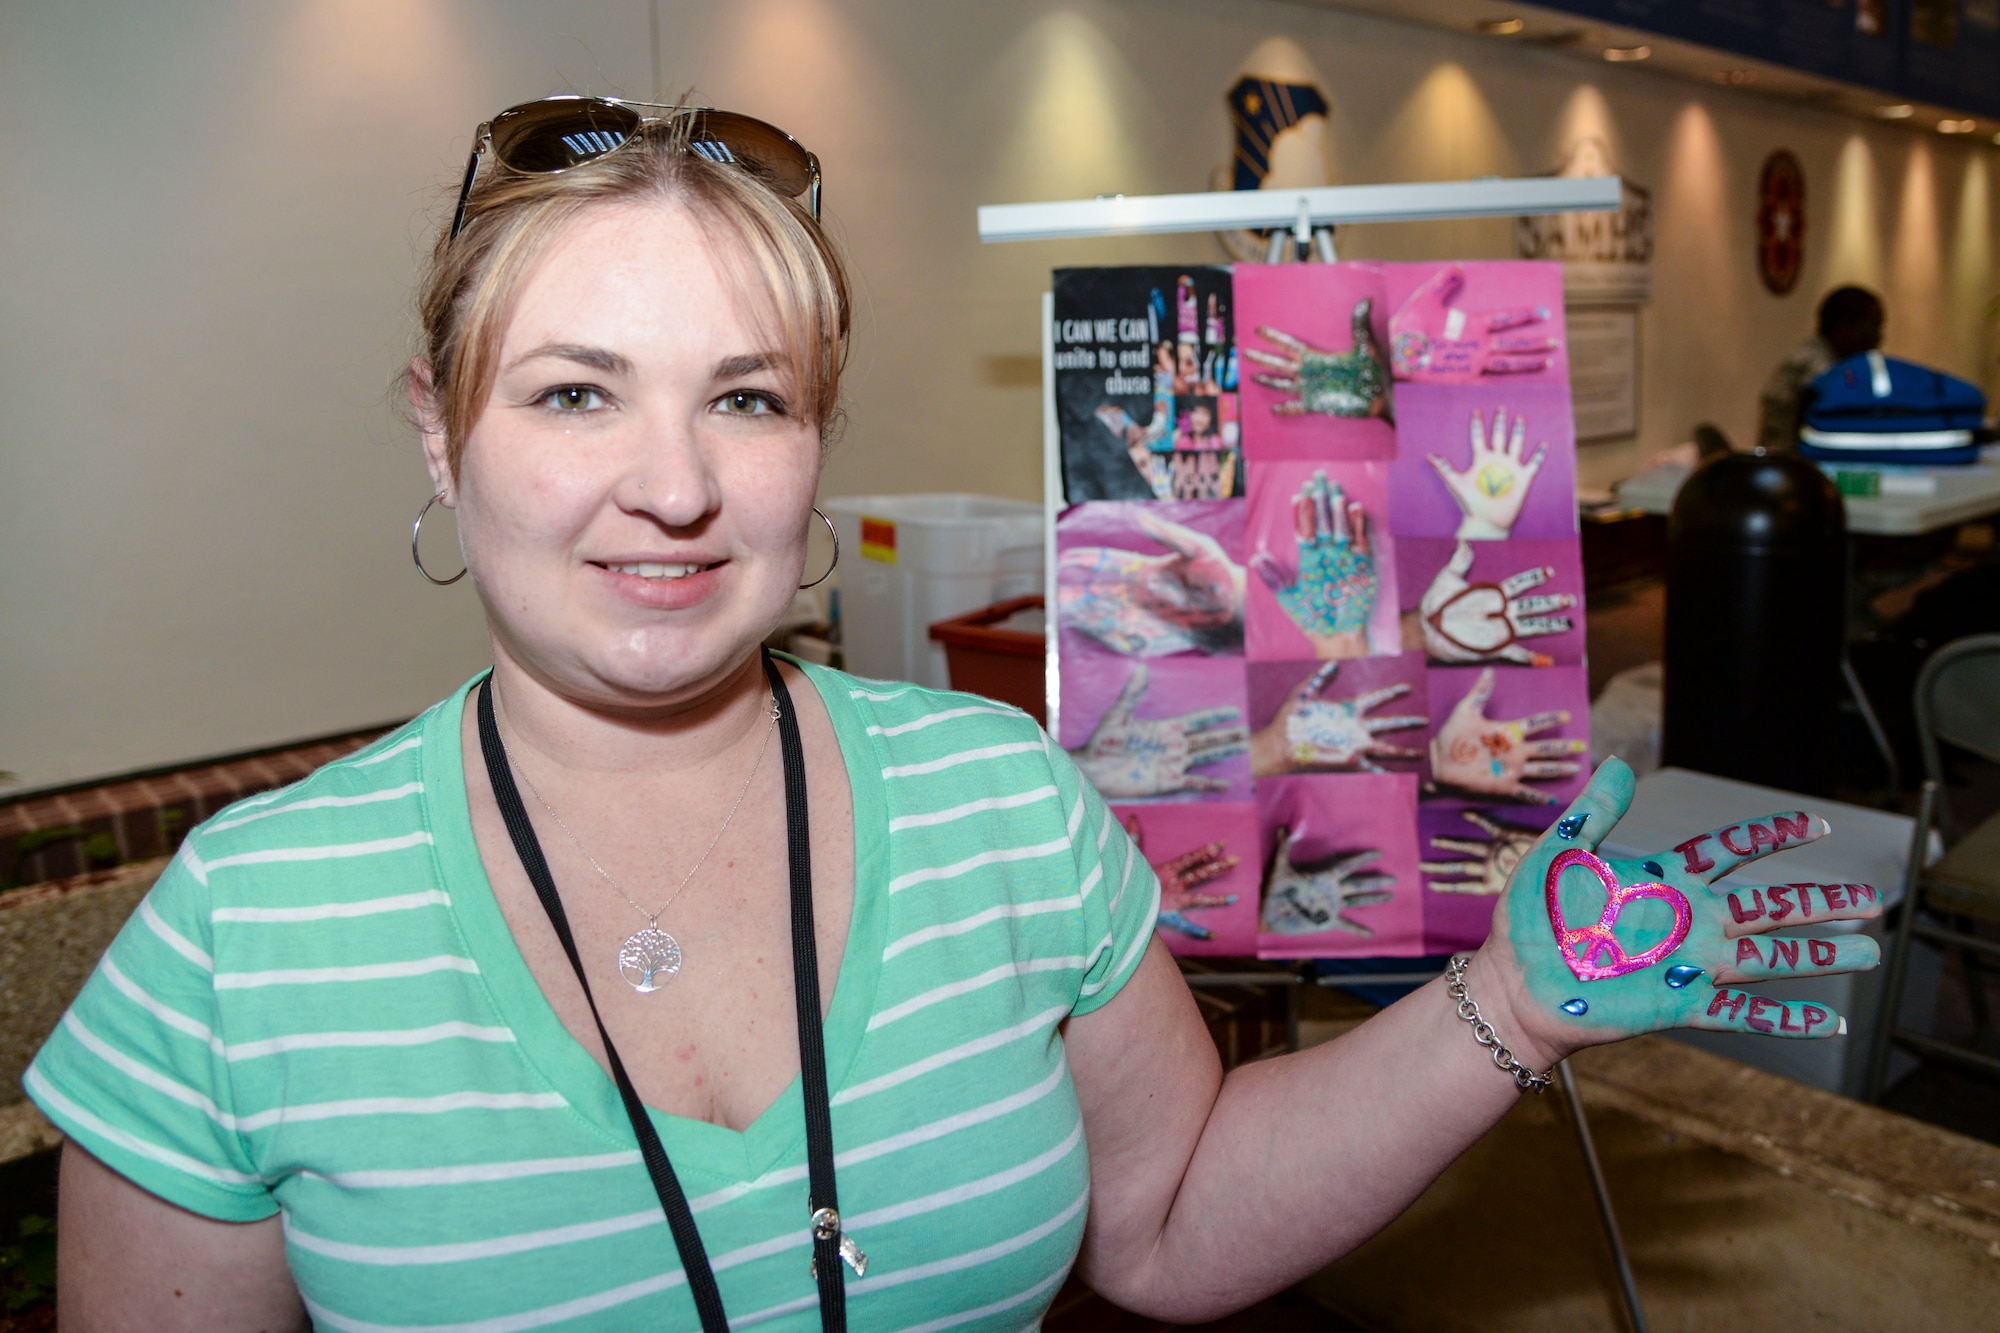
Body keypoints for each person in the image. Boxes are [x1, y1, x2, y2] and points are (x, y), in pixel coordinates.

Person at [30, 96, 1884, 1331]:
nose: (674, 486)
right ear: (441, 433)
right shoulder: (249, 928)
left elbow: (1164, 1220)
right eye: (577, 394)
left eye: (747, 399)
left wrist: (1512, 1001)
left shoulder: (1002, 798)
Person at [1757, 285, 1884, 453]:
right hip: (1791, 468)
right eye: (1873, 327)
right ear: (1845, 327)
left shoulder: (1820, 357)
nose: (1879, 337)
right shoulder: (1819, 370)